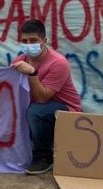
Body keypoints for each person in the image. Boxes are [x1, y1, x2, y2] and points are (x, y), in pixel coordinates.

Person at [10, 19, 82, 175]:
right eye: (24, 41)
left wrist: (32, 73)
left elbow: (43, 98)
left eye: (33, 40)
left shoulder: (58, 63)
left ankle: (44, 156)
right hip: (38, 111)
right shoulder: (19, 61)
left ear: (44, 41)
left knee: (36, 111)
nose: (28, 44)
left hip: (65, 112)